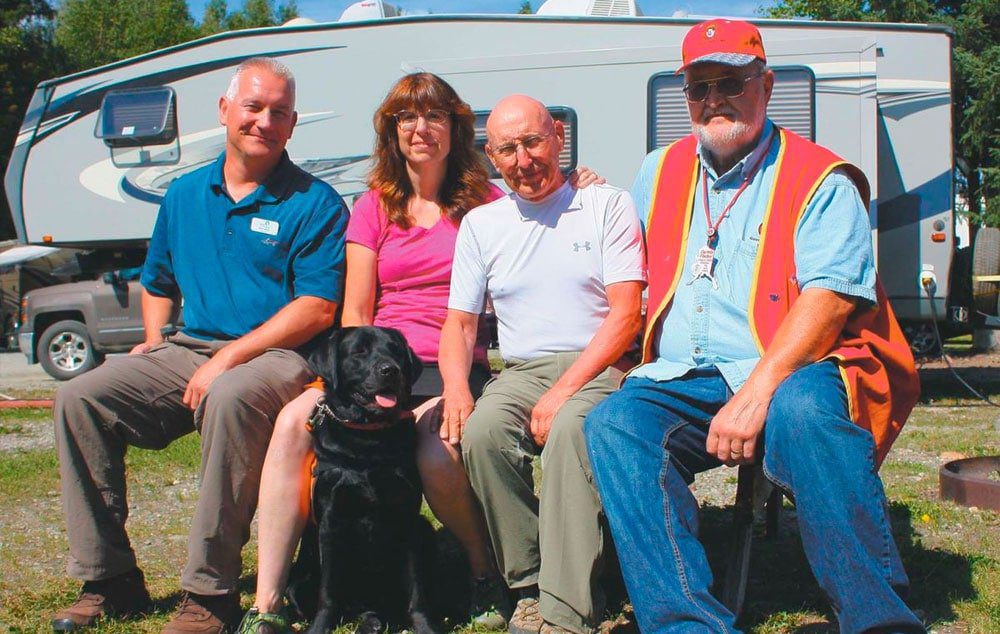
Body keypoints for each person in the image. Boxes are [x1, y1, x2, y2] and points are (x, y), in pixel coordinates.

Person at [584, 19, 923, 633]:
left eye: (731, 82)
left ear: (765, 87)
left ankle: (878, 619)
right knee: (614, 424)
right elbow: (617, 261)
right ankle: (685, 622)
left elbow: (828, 302)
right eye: (699, 87)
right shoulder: (657, 172)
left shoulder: (821, 177)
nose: (714, 100)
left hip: (794, 365)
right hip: (685, 373)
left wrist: (756, 394)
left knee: (802, 414)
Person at [241, 74, 603, 633]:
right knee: (293, 424)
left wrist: (581, 184)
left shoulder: (485, 199)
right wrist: (355, 390)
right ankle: (266, 605)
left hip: (451, 364)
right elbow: (357, 313)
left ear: (455, 128)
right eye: (406, 117)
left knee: (433, 452)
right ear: (391, 131)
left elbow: (543, 208)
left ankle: (487, 576)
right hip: (375, 367)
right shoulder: (372, 207)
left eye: (434, 116)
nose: (420, 128)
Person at [50, 57, 348, 634]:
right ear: (224, 111)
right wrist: (153, 341)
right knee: (80, 397)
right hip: (189, 347)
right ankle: (109, 580)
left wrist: (229, 359)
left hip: (281, 358)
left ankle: (210, 595)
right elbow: (158, 281)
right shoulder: (184, 195)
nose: (264, 120)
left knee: (231, 396)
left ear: (292, 126)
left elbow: (317, 308)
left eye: (279, 113)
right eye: (253, 107)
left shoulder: (314, 202)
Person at [438, 94, 646, 634]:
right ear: (491, 155)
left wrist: (563, 392)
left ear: (557, 135)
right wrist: (457, 387)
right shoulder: (483, 224)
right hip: (523, 370)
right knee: (482, 433)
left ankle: (565, 614)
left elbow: (625, 316)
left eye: (533, 142)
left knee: (572, 430)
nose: (523, 160)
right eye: (507, 149)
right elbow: (459, 324)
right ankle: (530, 584)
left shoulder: (607, 204)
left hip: (602, 365)